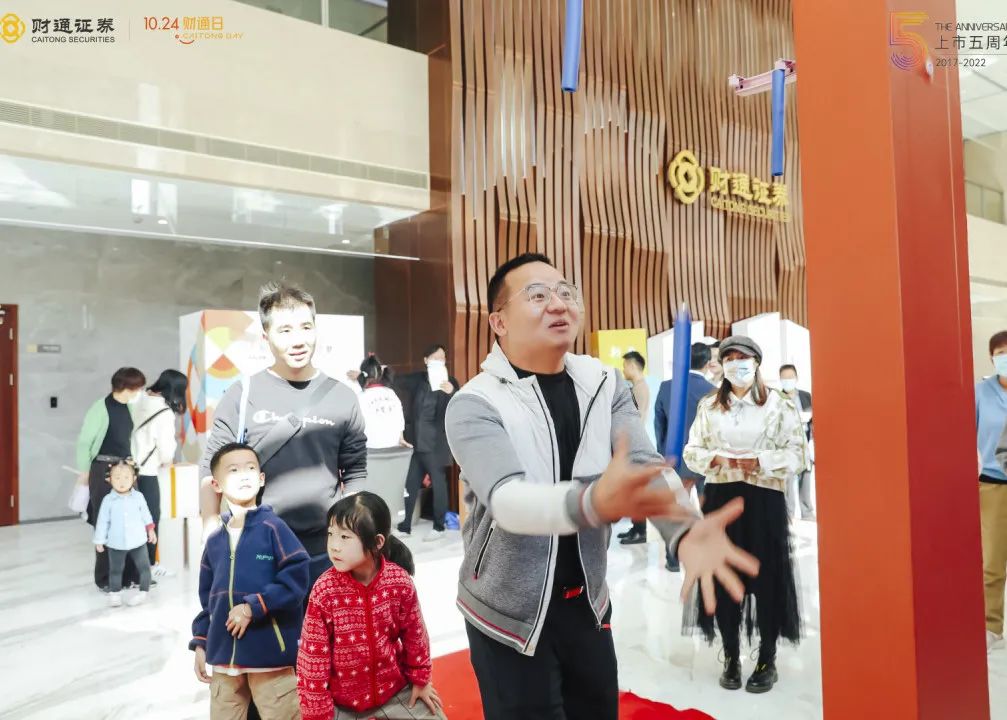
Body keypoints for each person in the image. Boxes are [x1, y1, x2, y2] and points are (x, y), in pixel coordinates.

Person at [444, 253, 759, 720]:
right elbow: (508, 501)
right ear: (499, 321)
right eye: (537, 295)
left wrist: (686, 530)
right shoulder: (475, 403)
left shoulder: (603, 383)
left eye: (566, 292)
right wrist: (592, 502)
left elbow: (644, 464)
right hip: (507, 613)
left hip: (588, 603)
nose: (558, 304)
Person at [199, 282, 368, 589]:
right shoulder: (242, 395)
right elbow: (212, 465)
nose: (298, 340)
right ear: (266, 337)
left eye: (306, 327)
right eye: (285, 330)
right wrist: (210, 523)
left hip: (324, 551)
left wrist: (351, 531)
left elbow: (355, 470)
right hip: (259, 548)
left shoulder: (343, 397)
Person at [683, 336, 809, 694]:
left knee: (767, 579)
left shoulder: (779, 405)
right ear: (721, 364)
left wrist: (760, 461)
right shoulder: (710, 405)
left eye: (744, 357)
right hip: (721, 500)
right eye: (730, 358)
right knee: (724, 577)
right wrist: (716, 458)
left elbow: (798, 454)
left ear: (756, 362)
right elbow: (692, 451)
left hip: (764, 500)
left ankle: (767, 658)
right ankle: (731, 655)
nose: (737, 363)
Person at [297, 492, 444, 720]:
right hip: (341, 703)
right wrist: (317, 713)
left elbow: (415, 634)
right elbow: (312, 658)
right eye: (331, 534)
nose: (334, 546)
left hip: (394, 692)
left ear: (377, 542)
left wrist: (420, 680)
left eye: (345, 537)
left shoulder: (399, 582)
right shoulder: (324, 591)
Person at [190, 443, 309, 720]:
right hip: (224, 662)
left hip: (270, 659)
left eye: (251, 468)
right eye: (233, 470)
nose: (244, 475)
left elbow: (296, 577)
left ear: (261, 478)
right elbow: (208, 600)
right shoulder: (215, 541)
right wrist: (201, 641)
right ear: (216, 484)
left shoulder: (274, 528)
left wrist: (253, 607)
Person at [76, 366, 147, 590]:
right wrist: (84, 471)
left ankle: (132, 576)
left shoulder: (130, 407)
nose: (139, 392)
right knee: (105, 521)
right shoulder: (100, 408)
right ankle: (106, 578)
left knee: (132, 521)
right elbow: (84, 442)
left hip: (126, 468)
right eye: (137, 387)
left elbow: (129, 440)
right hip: (103, 469)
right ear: (126, 387)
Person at [650, 343, 717, 570]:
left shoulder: (666, 387)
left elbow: (659, 425)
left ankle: (674, 559)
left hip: (676, 461)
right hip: (707, 462)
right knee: (710, 510)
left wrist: (664, 456)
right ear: (708, 363)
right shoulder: (713, 391)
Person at [395, 344, 460, 540]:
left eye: (442, 358)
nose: (439, 361)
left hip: (436, 444)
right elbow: (395, 380)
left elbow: (459, 403)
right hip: (418, 442)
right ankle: (405, 526)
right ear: (426, 360)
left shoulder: (450, 382)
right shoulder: (418, 379)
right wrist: (370, 375)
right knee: (410, 484)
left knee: (439, 484)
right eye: (435, 358)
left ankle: (439, 527)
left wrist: (452, 392)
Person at [131, 369, 188, 576]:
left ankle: (131, 566)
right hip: (147, 471)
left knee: (131, 518)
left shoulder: (138, 399)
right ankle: (149, 565)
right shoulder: (164, 412)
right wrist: (167, 459)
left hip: (127, 469)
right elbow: (166, 450)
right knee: (151, 518)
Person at [93, 458, 156, 608]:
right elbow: (102, 521)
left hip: (138, 541)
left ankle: (143, 592)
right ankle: (115, 594)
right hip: (116, 543)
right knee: (115, 570)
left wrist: (151, 530)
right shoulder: (108, 500)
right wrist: (99, 540)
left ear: (134, 478)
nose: (122, 482)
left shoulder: (138, 497)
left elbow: (146, 515)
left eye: (126, 477)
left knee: (144, 568)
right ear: (109, 479)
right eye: (117, 478)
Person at [981, 331, 1007, 653]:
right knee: (993, 560)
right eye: (1000, 353)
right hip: (992, 484)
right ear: (991, 357)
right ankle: (991, 625)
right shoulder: (980, 393)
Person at [619, 350, 652, 547]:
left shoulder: (639, 388)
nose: (623, 370)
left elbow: (635, 420)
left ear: (632, 366)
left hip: (634, 446)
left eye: (625, 366)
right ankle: (636, 527)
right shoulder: (638, 387)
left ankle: (641, 530)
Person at [779, 364, 815, 522]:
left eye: (790, 377)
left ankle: (807, 512)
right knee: (788, 479)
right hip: (787, 444)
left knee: (805, 477)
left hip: (805, 442)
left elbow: (814, 418)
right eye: (784, 378)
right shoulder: (777, 398)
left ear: (796, 378)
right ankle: (788, 513)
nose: (788, 380)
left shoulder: (806, 396)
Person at [354, 354, 408, 450]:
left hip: (371, 451)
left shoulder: (360, 397)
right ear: (381, 373)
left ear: (362, 375)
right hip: (394, 451)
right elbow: (400, 425)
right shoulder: (391, 393)